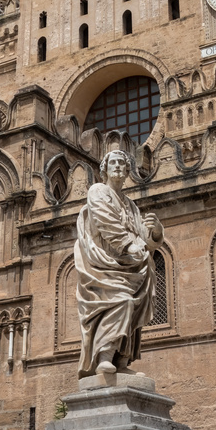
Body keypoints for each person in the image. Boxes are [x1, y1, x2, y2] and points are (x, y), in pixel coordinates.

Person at [75, 149, 164, 377]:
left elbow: (144, 239)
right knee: (122, 301)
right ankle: (105, 355)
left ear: (126, 171)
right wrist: (128, 245)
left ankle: (122, 361)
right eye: (112, 162)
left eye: (121, 163)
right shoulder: (97, 191)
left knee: (135, 306)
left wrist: (155, 232)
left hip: (132, 267)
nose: (117, 166)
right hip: (104, 265)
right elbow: (106, 222)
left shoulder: (131, 205)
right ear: (104, 168)